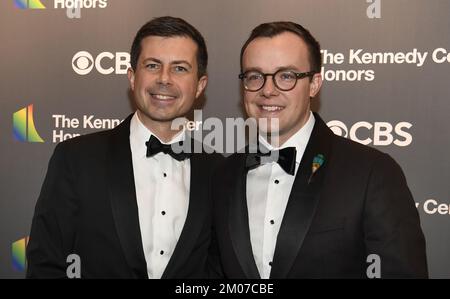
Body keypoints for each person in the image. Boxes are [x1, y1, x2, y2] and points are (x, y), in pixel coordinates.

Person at [212, 21, 428, 278]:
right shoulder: (223, 175)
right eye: (255, 76)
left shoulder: (372, 173)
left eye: (286, 76)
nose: (267, 90)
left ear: (314, 84)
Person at [27, 16, 223, 278]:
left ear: (200, 85)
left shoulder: (218, 171)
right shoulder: (76, 158)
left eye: (179, 68)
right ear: (132, 77)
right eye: (153, 65)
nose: (164, 79)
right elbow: (45, 264)